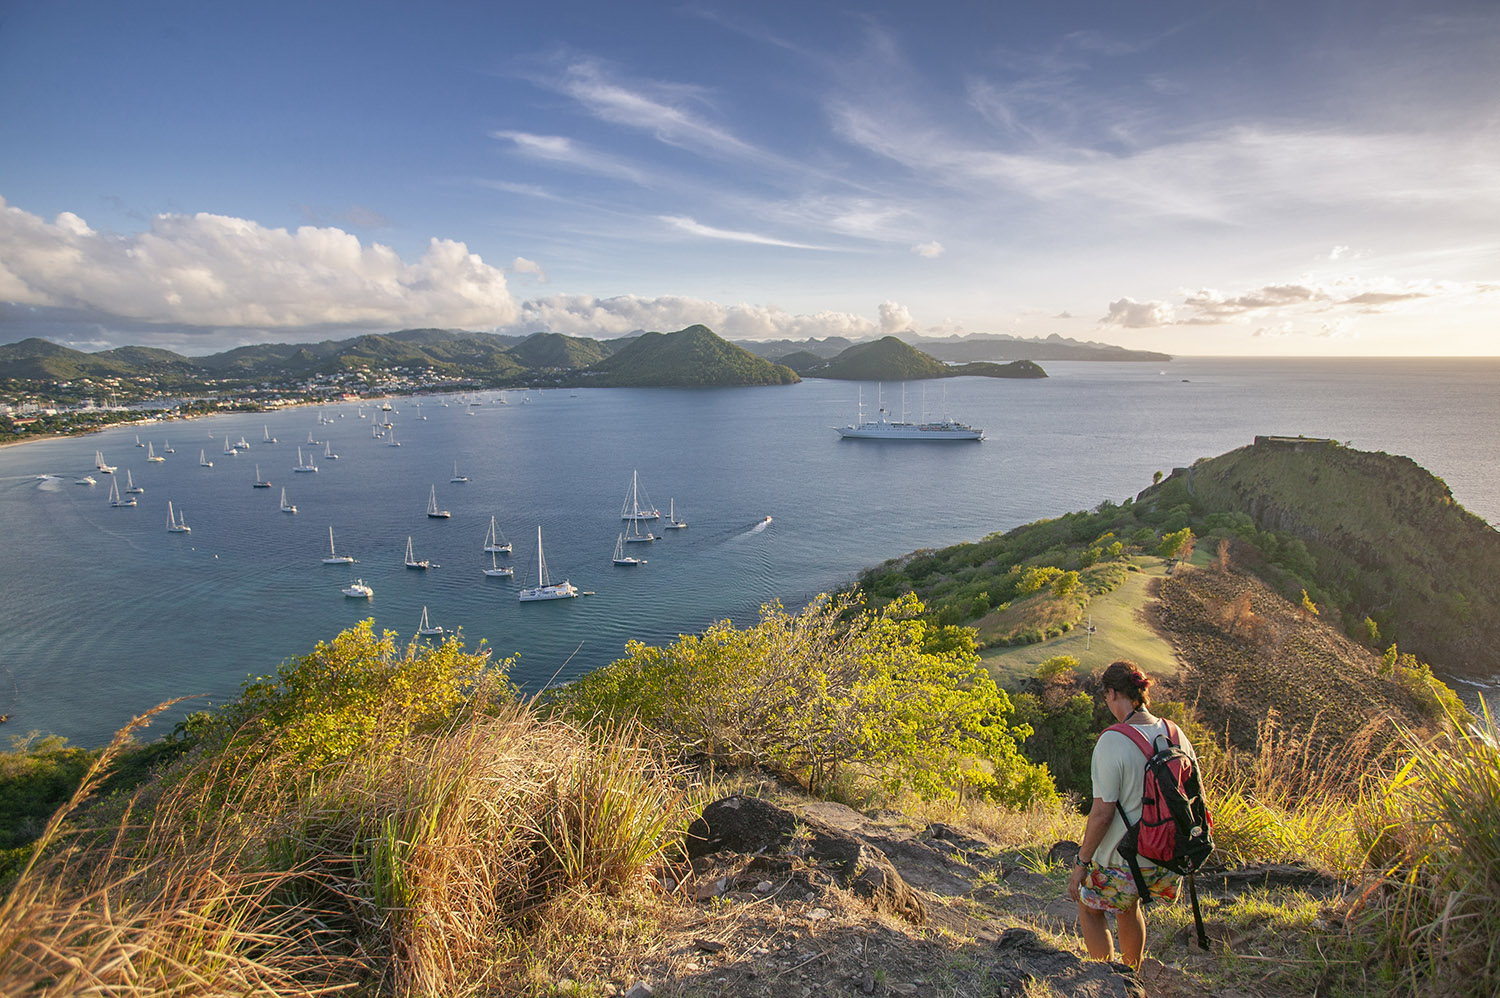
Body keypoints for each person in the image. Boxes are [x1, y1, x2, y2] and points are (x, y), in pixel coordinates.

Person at [1067, 660, 1196, 967]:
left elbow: (1101, 814)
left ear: (1112, 694)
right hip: (1166, 857)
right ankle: (1131, 972)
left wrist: (1081, 863)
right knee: (1127, 906)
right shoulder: (1176, 733)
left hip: (1122, 860)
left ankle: (1105, 977)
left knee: (1089, 906)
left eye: (1106, 696)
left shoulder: (1113, 740)